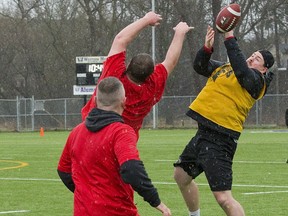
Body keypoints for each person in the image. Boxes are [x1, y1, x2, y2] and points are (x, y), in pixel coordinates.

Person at [173, 26, 274, 216]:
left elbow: (243, 71)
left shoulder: (257, 81)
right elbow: (200, 66)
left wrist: (229, 36)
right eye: (252, 55)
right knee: (181, 175)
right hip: (204, 134)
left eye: (257, 59)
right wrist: (206, 48)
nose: (251, 58)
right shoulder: (226, 68)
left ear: (264, 68)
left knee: (223, 197)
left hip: (221, 138)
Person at [57, 77, 171, 216]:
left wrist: (88, 195)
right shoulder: (121, 132)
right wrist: (156, 201)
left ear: (94, 101)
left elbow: (63, 171)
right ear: (124, 102)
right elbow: (131, 169)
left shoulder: (76, 132)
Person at [81, 11, 193, 139]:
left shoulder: (114, 76)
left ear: (128, 66)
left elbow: (120, 40)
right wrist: (180, 33)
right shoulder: (152, 86)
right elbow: (171, 61)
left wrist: (146, 19)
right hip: (123, 139)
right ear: (150, 75)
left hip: (91, 132)